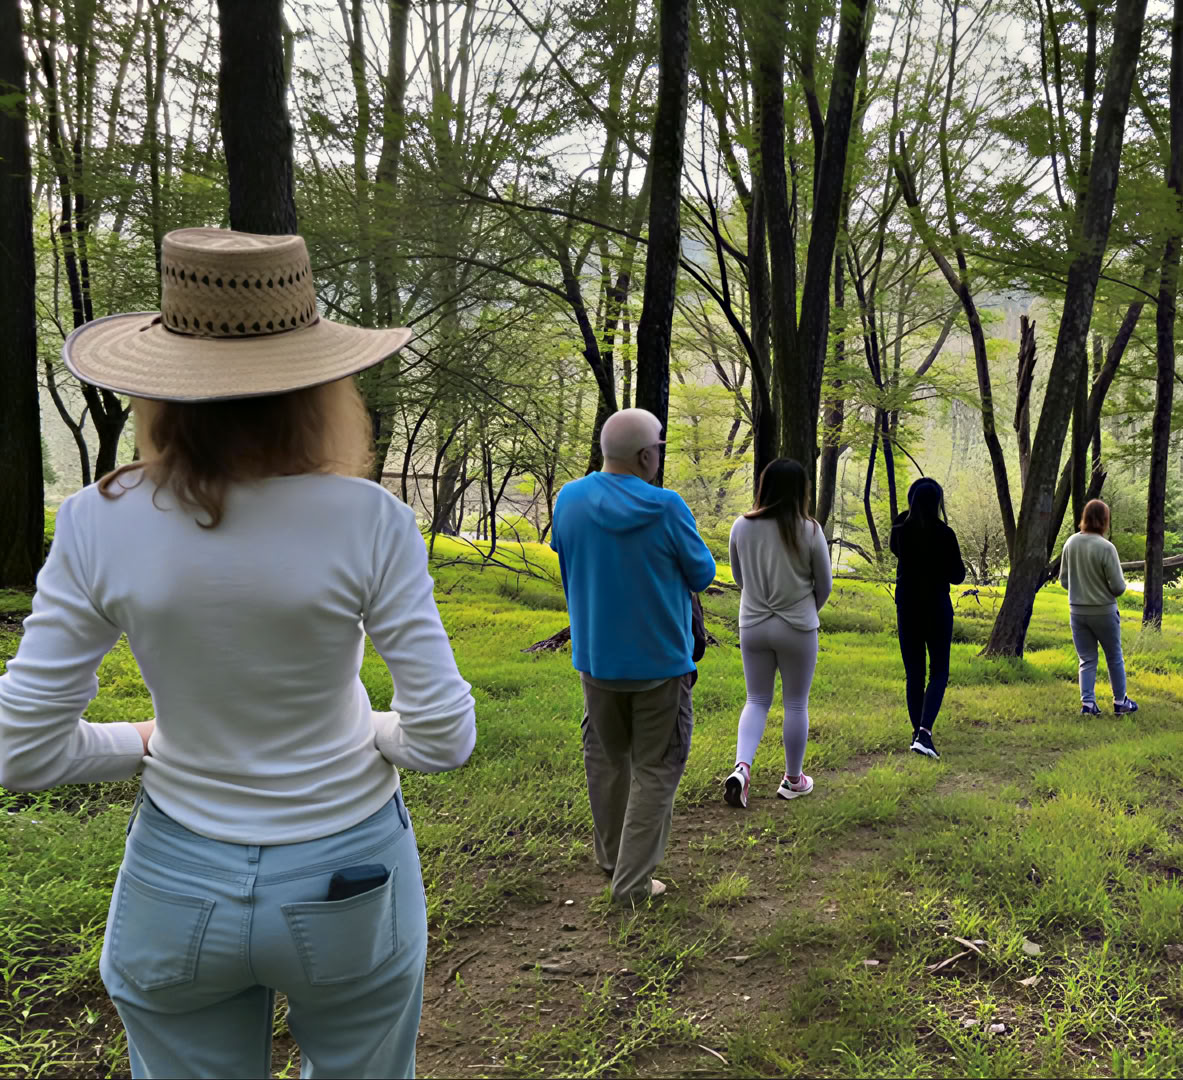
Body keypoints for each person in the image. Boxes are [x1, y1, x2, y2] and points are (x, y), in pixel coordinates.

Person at [0, 228, 475, 1078]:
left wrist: (142, 739)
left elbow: (20, 749)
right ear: (318, 385)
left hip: (175, 884)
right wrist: (371, 730)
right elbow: (445, 738)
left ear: (161, 386)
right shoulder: (370, 521)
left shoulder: (96, 519)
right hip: (350, 874)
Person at [551, 408, 717, 905]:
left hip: (596, 663)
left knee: (606, 761)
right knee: (656, 770)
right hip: (660, 668)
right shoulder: (666, 507)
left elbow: (568, 554)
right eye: (659, 448)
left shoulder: (569, 499)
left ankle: (612, 862)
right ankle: (632, 885)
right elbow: (703, 573)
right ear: (646, 455)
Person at [724, 458, 832, 807]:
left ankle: (742, 768)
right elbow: (825, 585)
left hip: (752, 624)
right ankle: (792, 779)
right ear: (801, 491)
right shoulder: (810, 530)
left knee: (756, 700)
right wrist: (804, 612)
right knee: (795, 703)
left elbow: (739, 578)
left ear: (763, 486)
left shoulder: (741, 526)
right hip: (797, 625)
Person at [889, 477, 968, 758]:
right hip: (937, 607)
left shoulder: (900, 530)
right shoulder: (945, 534)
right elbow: (958, 576)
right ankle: (924, 733)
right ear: (937, 503)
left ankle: (917, 733)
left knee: (914, 673)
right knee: (939, 672)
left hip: (907, 607)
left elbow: (895, 545)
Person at [1059, 499, 1137, 715]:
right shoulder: (1106, 547)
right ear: (1105, 520)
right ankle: (1120, 702)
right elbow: (1118, 587)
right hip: (1104, 611)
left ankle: (1088, 703)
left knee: (1086, 658)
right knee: (1114, 656)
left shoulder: (1070, 543)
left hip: (1077, 611)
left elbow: (1064, 581)